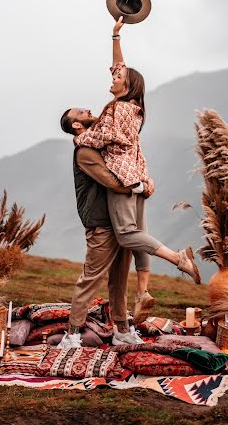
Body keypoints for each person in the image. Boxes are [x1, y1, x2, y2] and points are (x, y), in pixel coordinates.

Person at [71, 16, 201, 287]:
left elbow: (105, 135)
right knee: (140, 232)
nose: (114, 75)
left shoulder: (117, 109)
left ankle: (179, 259)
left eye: (118, 77)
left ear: (126, 87)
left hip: (123, 177)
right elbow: (119, 66)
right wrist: (116, 36)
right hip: (138, 175)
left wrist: (81, 138)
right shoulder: (134, 109)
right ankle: (143, 291)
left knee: (128, 235)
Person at [58, 111, 154, 348]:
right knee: (91, 278)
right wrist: (139, 186)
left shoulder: (99, 145)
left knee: (120, 278)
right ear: (77, 124)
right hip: (101, 224)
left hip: (120, 221)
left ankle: (121, 330)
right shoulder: (84, 152)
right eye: (81, 112)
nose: (89, 111)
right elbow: (111, 181)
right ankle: (71, 335)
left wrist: (144, 181)